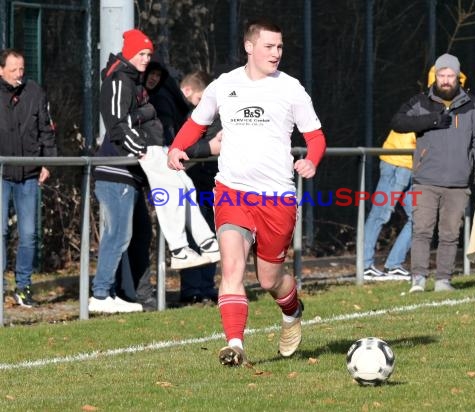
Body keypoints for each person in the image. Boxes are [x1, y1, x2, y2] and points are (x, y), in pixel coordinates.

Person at [167, 19, 327, 366]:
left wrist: (311, 161)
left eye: (280, 47)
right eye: (269, 47)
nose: (276, 53)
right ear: (249, 47)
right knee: (232, 268)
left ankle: (292, 310)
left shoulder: (291, 89)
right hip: (233, 191)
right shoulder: (224, 86)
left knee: (270, 278)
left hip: (277, 197)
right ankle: (235, 345)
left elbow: (315, 137)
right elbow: (198, 122)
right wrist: (176, 147)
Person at [391, 53, 475, 293]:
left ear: (459, 78)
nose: (446, 80)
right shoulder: (421, 102)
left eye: (450, 76)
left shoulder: (473, 105)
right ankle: (418, 279)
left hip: (458, 182)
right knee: (422, 230)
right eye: (441, 75)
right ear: (435, 77)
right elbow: (398, 122)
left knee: (449, 234)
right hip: (425, 180)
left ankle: (443, 280)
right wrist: (432, 121)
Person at [89, 28, 158, 313]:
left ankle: (121, 292)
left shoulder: (131, 80)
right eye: (142, 54)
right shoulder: (119, 80)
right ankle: (101, 294)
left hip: (129, 171)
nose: (146, 59)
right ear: (129, 53)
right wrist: (141, 148)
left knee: (137, 233)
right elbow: (117, 125)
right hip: (115, 169)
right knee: (118, 234)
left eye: (149, 55)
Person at [144, 65, 221, 305]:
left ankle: (204, 287)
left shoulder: (206, 114)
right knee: (192, 231)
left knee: (208, 233)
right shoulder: (176, 109)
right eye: (200, 99)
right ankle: (193, 290)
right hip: (189, 178)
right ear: (188, 91)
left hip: (205, 179)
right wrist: (208, 148)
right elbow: (180, 146)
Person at [0, 48, 57, 307]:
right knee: (0, 232)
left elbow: (46, 127)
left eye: (21, 69)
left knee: (29, 234)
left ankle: (23, 287)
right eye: (13, 69)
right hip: (2, 174)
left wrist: (48, 161)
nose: (18, 74)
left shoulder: (35, 91)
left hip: (29, 175)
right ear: (1, 70)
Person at [363, 130, 415, 281]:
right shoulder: (424, 109)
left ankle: (393, 265)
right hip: (398, 164)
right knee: (379, 215)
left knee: (420, 218)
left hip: (408, 166)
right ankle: (365, 265)